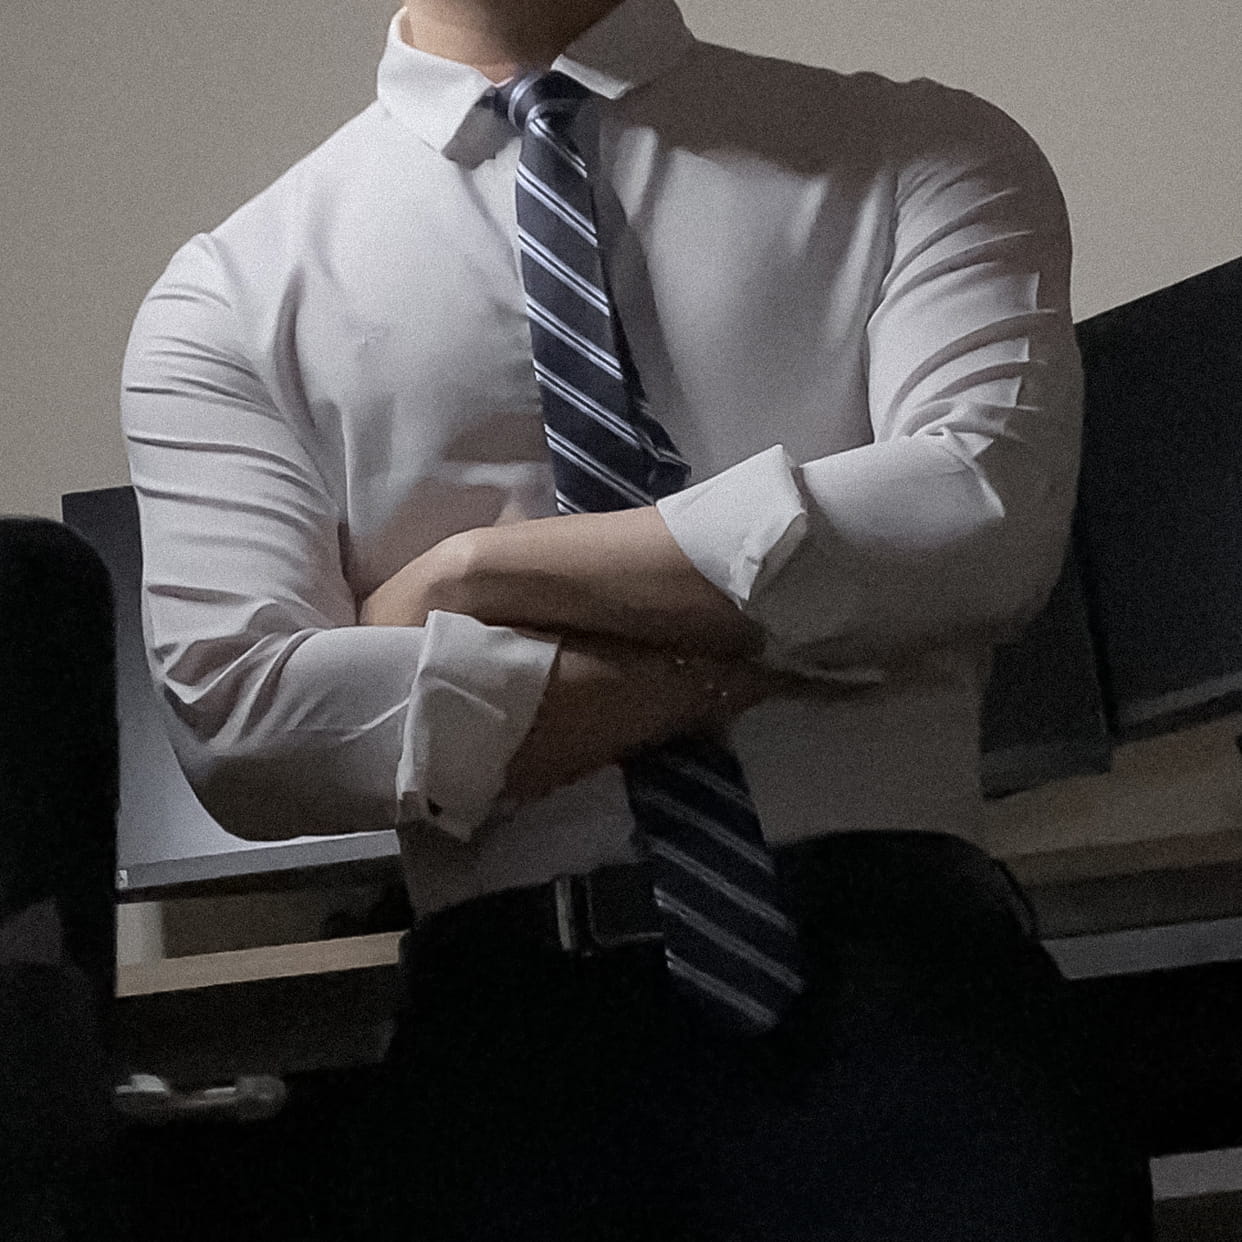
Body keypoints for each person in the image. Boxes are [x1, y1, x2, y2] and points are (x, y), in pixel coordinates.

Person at [120, 0, 1152, 1237]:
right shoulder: (228, 294)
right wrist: (778, 645)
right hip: (507, 1069)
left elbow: (980, 514)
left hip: (923, 1009)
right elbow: (246, 721)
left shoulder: (925, 151)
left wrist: (470, 575)